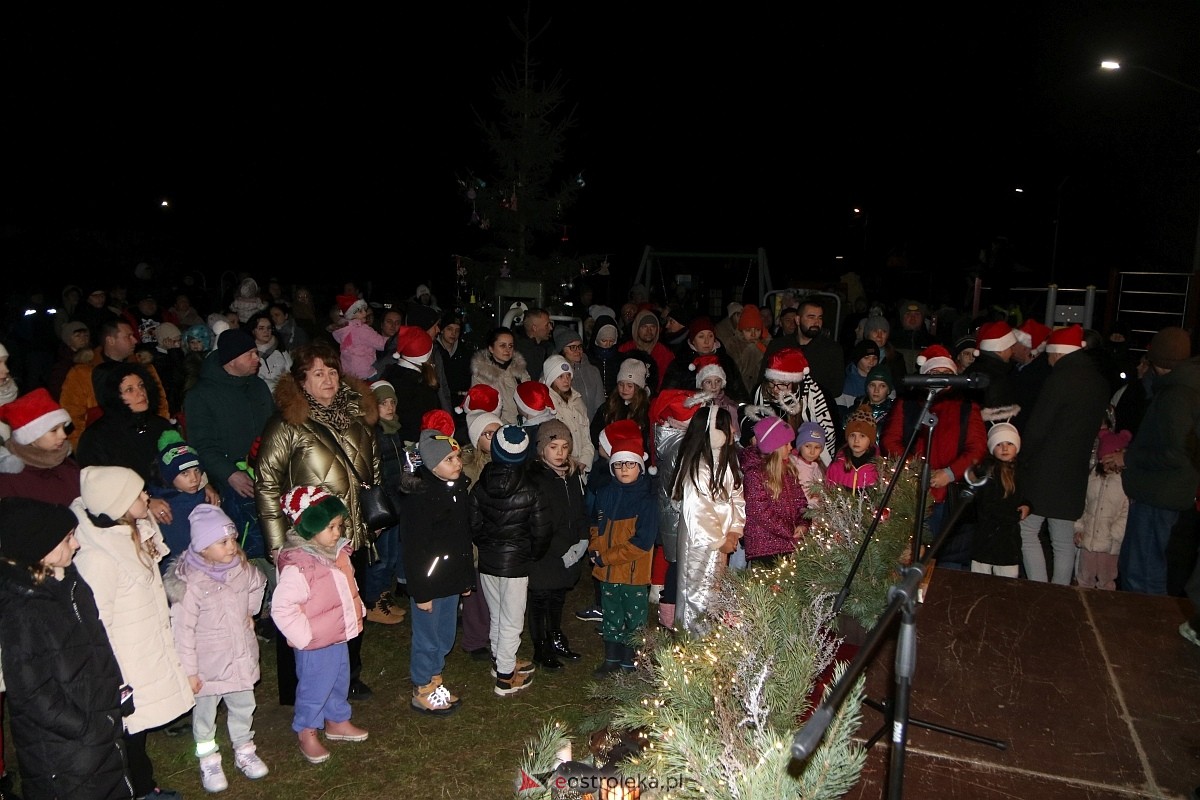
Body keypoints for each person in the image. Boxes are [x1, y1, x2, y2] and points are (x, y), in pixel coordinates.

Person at [255, 341, 380, 703]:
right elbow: (267, 484)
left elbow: (372, 467)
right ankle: (300, 688)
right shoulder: (287, 423)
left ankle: (348, 676)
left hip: (350, 534)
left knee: (348, 606)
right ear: (301, 380)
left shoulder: (357, 414)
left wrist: (372, 516)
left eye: (332, 371)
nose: (328, 379)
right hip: (308, 540)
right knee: (306, 612)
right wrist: (277, 544)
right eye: (318, 373)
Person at [72, 466, 194, 800]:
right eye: (138, 493)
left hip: (145, 646)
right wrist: (112, 676)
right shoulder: (99, 558)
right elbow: (97, 622)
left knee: (136, 730)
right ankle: (137, 790)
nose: (147, 495)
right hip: (124, 660)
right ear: (119, 504)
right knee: (126, 732)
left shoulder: (134, 532)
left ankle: (143, 784)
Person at [0, 497, 130, 800]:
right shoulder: (21, 609)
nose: (77, 544)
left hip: (97, 721)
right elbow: (31, 691)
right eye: (67, 538)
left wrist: (116, 690)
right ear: (38, 548)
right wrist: (84, 728)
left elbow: (98, 643)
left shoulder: (70, 583)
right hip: (63, 746)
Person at [163, 504, 269, 791]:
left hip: (240, 657)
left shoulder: (240, 570)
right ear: (203, 547)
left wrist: (250, 610)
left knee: (243, 706)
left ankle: (244, 748)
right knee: (205, 715)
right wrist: (189, 672)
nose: (232, 546)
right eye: (223, 542)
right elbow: (182, 631)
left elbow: (259, 582)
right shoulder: (191, 582)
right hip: (206, 666)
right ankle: (208, 757)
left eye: (232, 539)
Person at [270, 486, 368, 763]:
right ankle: (307, 729)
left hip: (337, 632)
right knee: (315, 686)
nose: (337, 532)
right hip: (315, 641)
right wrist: (304, 636)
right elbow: (282, 607)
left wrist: (355, 609)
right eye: (330, 527)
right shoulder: (300, 564)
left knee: (338, 678)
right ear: (309, 528)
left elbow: (347, 586)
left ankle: (337, 719)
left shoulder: (337, 553)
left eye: (339, 525)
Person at [1016, 325, 1110, 585]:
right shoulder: (1099, 381)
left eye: (1049, 354)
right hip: (1075, 469)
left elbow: (1038, 427)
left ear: (1058, 353)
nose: (1047, 359)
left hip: (1045, 469)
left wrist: (1022, 458)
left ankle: (1039, 586)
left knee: (1027, 529)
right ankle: (1060, 591)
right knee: (1063, 538)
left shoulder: (1059, 379)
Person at [1115, 326, 1199, 594]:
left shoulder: (1176, 395)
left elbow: (1177, 452)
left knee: (1143, 572)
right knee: (1139, 568)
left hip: (1159, 494)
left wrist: (1129, 457)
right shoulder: (1183, 389)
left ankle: (1145, 620)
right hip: (1162, 491)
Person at [469, 425, 552, 696]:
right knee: (512, 620)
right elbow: (541, 530)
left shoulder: (481, 485)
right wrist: (532, 554)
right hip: (515, 564)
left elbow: (473, 523)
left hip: (488, 562)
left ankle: (499, 660)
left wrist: (486, 545)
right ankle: (505, 677)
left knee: (497, 615)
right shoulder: (532, 489)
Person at [399, 429, 475, 715]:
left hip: (451, 579)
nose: (458, 463)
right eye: (449, 459)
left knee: (444, 635)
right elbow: (414, 549)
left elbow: (462, 540)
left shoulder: (456, 490)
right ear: (432, 466)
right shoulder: (420, 499)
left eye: (457, 456)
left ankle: (435, 678)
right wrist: (421, 592)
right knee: (427, 638)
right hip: (429, 583)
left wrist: (465, 579)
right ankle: (422, 686)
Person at [589, 421, 659, 674]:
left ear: (639, 466)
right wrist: (595, 549)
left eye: (630, 464)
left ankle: (631, 660)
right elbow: (596, 525)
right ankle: (612, 658)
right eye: (618, 464)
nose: (624, 469)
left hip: (632, 574)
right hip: (607, 573)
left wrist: (606, 557)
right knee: (611, 614)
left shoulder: (647, 500)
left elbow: (642, 542)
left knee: (634, 618)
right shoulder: (605, 493)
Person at [672, 404, 745, 636]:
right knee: (696, 593)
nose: (733, 430)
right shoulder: (698, 469)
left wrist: (734, 530)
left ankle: (709, 640)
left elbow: (736, 496)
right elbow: (698, 510)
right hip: (701, 544)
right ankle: (691, 642)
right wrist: (720, 540)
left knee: (714, 590)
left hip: (720, 541)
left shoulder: (725, 463)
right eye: (727, 426)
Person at [526, 420, 589, 670]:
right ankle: (541, 646)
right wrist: (562, 548)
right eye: (554, 447)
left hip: (570, 548)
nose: (560, 452)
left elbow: (581, 508)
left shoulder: (572, 475)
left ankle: (555, 635)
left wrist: (583, 537)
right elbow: (540, 521)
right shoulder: (536, 478)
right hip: (546, 551)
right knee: (541, 599)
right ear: (542, 448)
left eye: (564, 446)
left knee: (558, 596)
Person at [59, 319, 170, 449]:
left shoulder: (144, 368)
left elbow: (160, 406)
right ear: (110, 340)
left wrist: (161, 442)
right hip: (104, 448)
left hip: (147, 444)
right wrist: (85, 451)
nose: (135, 340)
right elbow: (73, 416)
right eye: (128, 336)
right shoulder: (83, 374)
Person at [648, 388, 704, 629]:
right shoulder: (679, 448)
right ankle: (669, 613)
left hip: (676, 515)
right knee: (678, 565)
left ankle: (672, 610)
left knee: (678, 564)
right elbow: (681, 488)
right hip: (678, 516)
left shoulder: (673, 441)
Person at [76, 362, 174, 486]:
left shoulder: (160, 425)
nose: (141, 393)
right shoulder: (95, 439)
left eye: (141, 385)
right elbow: (100, 488)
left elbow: (183, 463)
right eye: (129, 389)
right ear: (113, 396)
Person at [361, 380, 407, 625]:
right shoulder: (372, 433)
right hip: (382, 505)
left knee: (391, 555)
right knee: (380, 557)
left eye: (392, 402)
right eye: (383, 403)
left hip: (395, 503)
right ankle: (372, 601)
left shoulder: (393, 430)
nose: (389, 407)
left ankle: (383, 596)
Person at [741, 415, 807, 567]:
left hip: (789, 545)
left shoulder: (788, 470)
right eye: (786, 444)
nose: (791, 448)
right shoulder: (754, 474)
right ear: (774, 447)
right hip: (765, 549)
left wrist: (803, 524)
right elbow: (760, 512)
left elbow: (800, 501)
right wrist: (790, 531)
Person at [964, 422, 1027, 577]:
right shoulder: (988, 471)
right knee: (980, 577)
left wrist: (1027, 505)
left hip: (1008, 540)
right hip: (987, 536)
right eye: (999, 444)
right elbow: (987, 505)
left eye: (1009, 444)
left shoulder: (1020, 471)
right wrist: (1013, 516)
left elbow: (1024, 495)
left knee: (1008, 579)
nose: (1005, 448)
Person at [753, 347, 836, 465]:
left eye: (783, 384)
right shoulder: (762, 392)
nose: (775, 389)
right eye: (772, 383)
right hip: (775, 457)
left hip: (807, 456)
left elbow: (826, 433)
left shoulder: (813, 397)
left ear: (795, 383)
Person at [761, 298, 844, 409]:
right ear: (798, 320)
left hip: (817, 410)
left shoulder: (832, 349)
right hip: (781, 409)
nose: (816, 322)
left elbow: (836, 388)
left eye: (819, 318)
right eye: (811, 317)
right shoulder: (778, 346)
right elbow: (763, 379)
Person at [0, 388, 80, 504]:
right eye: (54, 430)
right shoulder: (11, 480)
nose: (63, 435)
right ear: (31, 437)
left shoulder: (67, 465)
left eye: (63, 427)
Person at [1075, 428, 1132, 590]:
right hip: (1089, 539)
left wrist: (1115, 533)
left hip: (1109, 543)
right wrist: (1079, 528)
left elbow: (1126, 511)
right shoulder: (1093, 477)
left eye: (1109, 460)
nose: (1105, 464)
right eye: (1103, 460)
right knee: (1084, 576)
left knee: (1106, 579)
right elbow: (1085, 505)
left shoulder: (1124, 483)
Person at [149, 430, 213, 572]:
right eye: (184, 473)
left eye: (197, 470)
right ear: (168, 477)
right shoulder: (163, 509)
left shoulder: (207, 498)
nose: (194, 478)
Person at [661, 317, 747, 402]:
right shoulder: (680, 363)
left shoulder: (726, 361)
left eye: (710, 336)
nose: (706, 341)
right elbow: (667, 395)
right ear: (693, 340)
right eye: (701, 336)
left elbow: (740, 393)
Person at [542, 355, 595, 472]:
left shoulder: (577, 401)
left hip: (579, 467)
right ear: (551, 379)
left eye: (568, 375)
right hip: (558, 466)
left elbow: (586, 436)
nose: (566, 380)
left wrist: (584, 460)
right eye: (560, 376)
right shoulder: (546, 405)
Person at [470, 328, 530, 426]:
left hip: (522, 425)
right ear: (491, 348)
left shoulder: (520, 372)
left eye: (510, 346)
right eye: (502, 345)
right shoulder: (481, 375)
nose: (507, 350)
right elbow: (480, 411)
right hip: (496, 427)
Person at [331, 295, 388, 381]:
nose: (365, 313)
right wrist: (394, 339)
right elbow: (381, 344)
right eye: (360, 311)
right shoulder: (361, 329)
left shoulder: (344, 330)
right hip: (366, 372)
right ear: (351, 314)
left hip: (349, 373)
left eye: (364, 310)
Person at [826, 405, 881, 492]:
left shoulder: (877, 469)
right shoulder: (836, 467)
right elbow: (828, 491)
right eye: (852, 435)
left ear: (870, 439)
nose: (856, 440)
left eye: (862, 436)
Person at [555, 325, 604, 420]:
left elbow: (600, 405)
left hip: (591, 425)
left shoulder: (593, 371)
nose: (578, 351)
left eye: (580, 346)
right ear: (562, 350)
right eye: (572, 347)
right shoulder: (555, 374)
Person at [618, 309, 672, 392]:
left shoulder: (665, 354)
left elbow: (668, 383)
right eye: (644, 327)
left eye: (652, 327)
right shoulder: (624, 349)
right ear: (637, 328)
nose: (649, 331)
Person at [247, 310, 293, 393]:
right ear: (253, 330)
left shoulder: (280, 348)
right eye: (261, 328)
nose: (266, 331)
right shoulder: (247, 353)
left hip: (283, 393)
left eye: (269, 328)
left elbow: (291, 371)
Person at [836, 339, 881, 412]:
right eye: (866, 357)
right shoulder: (845, 385)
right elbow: (840, 412)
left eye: (875, 358)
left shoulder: (885, 381)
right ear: (857, 359)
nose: (871, 362)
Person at [514, 309, 556, 382]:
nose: (551, 328)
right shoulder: (519, 351)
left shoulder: (548, 348)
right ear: (534, 328)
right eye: (547, 325)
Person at [792, 421, 827, 503]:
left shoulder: (818, 467)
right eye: (807, 446)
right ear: (800, 446)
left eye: (817, 447)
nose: (812, 452)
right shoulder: (792, 466)